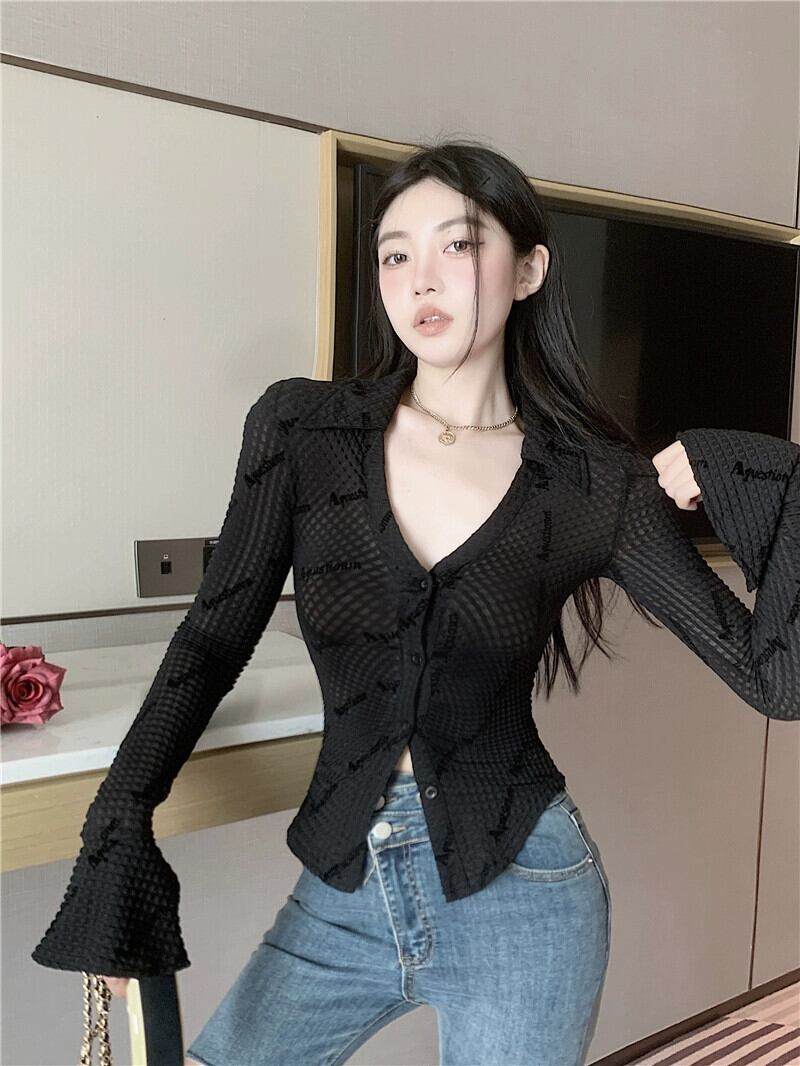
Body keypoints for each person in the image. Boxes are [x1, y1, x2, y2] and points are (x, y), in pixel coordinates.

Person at [32, 138, 799, 1066]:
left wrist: (765, 477)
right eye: (395, 254)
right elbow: (211, 643)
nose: (419, 279)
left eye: (457, 245)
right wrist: (116, 827)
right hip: (342, 893)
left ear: (529, 271)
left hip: (526, 896)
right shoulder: (303, 430)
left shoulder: (594, 484)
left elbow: (776, 680)